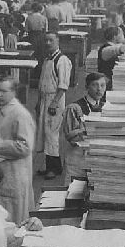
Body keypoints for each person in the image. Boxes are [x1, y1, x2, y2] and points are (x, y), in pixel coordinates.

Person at [0, 76, 35, 222]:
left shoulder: (20, 115)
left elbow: (25, 147)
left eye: (3, 91)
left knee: (12, 220)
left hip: (13, 176)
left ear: (14, 92)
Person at [35, 32, 73, 179]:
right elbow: (42, 83)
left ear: (58, 41)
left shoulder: (62, 60)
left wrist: (55, 102)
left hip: (54, 99)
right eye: (46, 40)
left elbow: (63, 85)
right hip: (44, 99)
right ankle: (51, 166)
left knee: (52, 133)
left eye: (51, 40)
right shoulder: (47, 59)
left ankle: (54, 169)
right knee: (45, 133)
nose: (48, 43)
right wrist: (39, 102)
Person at [60, 72, 107, 180]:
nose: (99, 89)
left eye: (102, 85)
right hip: (77, 161)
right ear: (87, 87)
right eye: (94, 85)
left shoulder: (106, 108)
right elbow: (72, 137)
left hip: (97, 160)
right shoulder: (74, 108)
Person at [97, 26, 125, 90]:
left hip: (113, 80)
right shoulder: (106, 49)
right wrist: (121, 49)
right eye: (121, 34)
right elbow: (112, 50)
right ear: (114, 37)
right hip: (107, 84)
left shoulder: (112, 46)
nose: (123, 36)